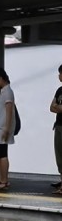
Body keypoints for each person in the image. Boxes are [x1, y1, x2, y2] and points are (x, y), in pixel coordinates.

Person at [0, 67, 15, 190]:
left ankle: (4, 180)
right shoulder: (3, 92)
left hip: (2, 127)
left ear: (0, 78)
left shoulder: (8, 92)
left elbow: (9, 112)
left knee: (3, 154)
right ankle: (0, 178)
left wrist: (7, 128)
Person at [49, 64, 62, 194]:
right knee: (59, 157)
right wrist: (58, 107)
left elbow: (56, 107)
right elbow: (52, 107)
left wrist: (58, 107)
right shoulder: (59, 90)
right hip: (58, 126)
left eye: (60, 73)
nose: (59, 76)